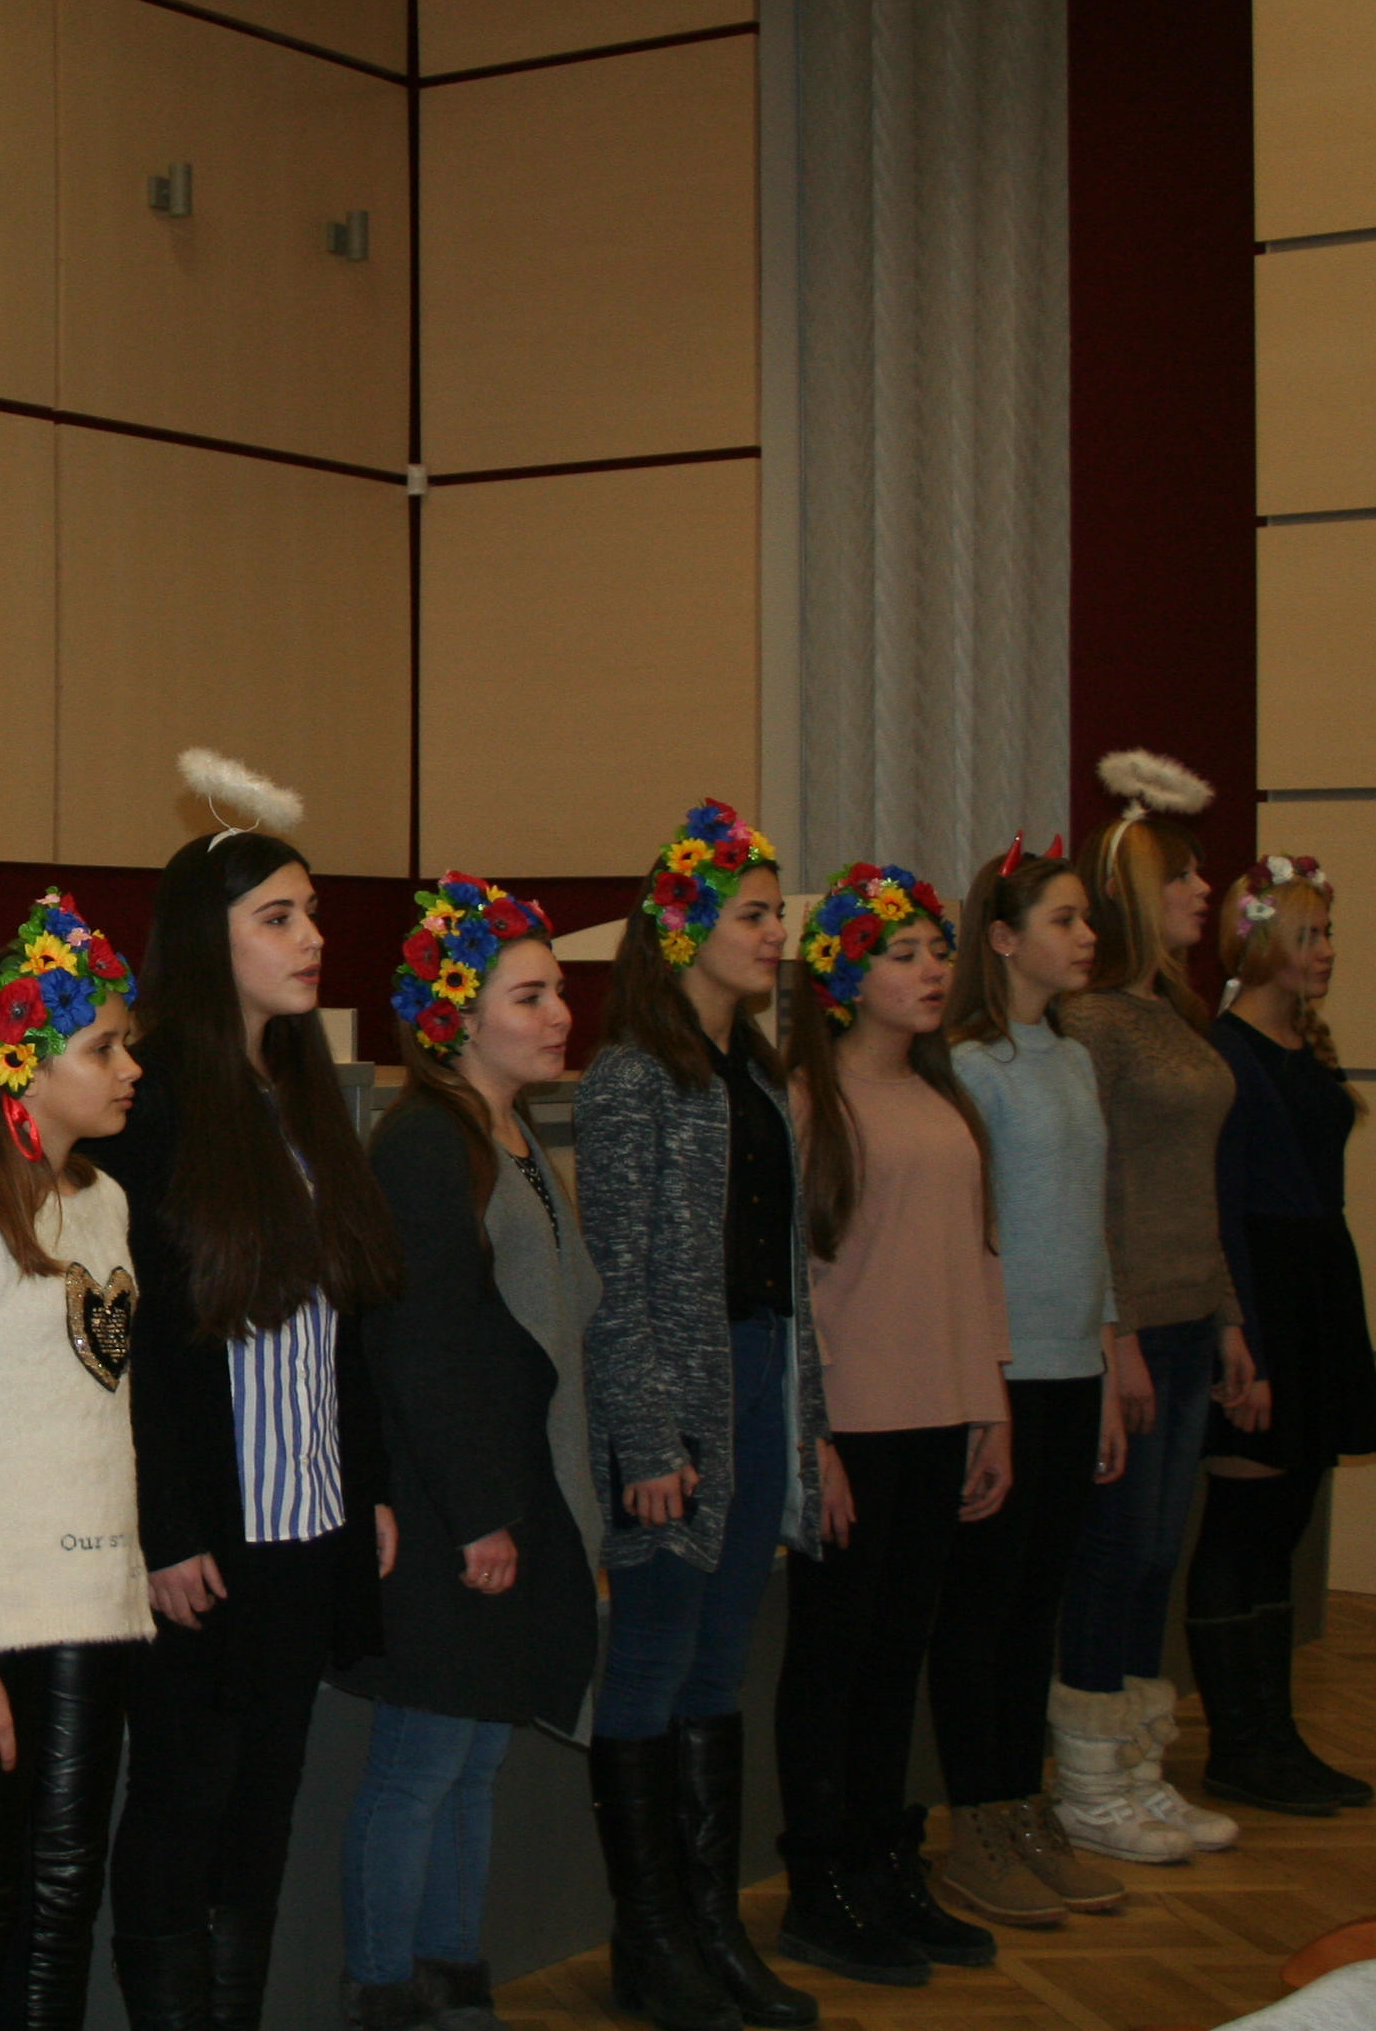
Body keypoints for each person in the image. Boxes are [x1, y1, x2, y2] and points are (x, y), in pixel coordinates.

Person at [79, 783, 402, 2031]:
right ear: (206, 940)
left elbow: (344, 1319)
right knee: (183, 1799)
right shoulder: (149, 1096)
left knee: (265, 1801)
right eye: (279, 917)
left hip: (305, 1516)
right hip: (206, 1530)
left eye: (311, 914)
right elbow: (135, 1347)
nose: (311, 938)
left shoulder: (307, 1090)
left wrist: (367, 1486)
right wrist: (163, 1529)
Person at [575, 801, 822, 2031]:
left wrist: (807, 1423)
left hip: (759, 1374)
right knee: (655, 1656)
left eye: (778, 914)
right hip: (678, 1393)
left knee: (720, 1660)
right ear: (683, 931)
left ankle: (712, 1925)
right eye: (755, 914)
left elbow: (784, 1268)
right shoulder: (635, 1075)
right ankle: (654, 1939)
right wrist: (648, 1432)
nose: (778, 935)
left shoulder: (757, 1072)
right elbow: (617, 1276)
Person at [340, 877, 599, 2031]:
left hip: (509, 1498)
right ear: (455, 1016)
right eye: (530, 997)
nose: (559, 1016)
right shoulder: (423, 1143)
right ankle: (383, 1991)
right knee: (423, 1764)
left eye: (558, 993)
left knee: (478, 1760)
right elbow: (421, 1350)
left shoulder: (512, 1133)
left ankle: (454, 1979)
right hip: (451, 1513)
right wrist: (481, 1513)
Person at [768, 864, 1010, 1991]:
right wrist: (812, 1438)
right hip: (854, 1424)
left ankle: (882, 1857)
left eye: (937, 951)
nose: (931, 970)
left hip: (939, 1410)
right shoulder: (807, 1104)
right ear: (844, 977)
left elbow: (976, 1266)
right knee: (835, 1656)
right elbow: (796, 1290)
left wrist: (990, 1408)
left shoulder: (945, 1097)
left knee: (900, 1651)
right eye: (903, 954)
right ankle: (820, 1880)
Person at [0, 891, 153, 2031]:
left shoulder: (106, 1202)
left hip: (97, 1603)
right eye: (102, 1047)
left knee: (66, 1890)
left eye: (125, 1044)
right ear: (19, 1060)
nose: (129, 1068)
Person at [1046, 751, 1249, 1865]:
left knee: (1158, 1554)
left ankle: (1137, 1765)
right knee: (1116, 1551)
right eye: (1184, 876)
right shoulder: (1092, 1024)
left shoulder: (1172, 1014)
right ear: (1135, 892)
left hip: (1184, 1317)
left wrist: (1226, 1317)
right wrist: (1113, 1334)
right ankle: (1088, 1780)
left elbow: (1194, 1188)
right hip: (1124, 1331)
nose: (1203, 892)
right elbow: (1090, 1193)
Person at [929, 842, 1132, 1925]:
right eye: (1064, 920)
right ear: (1003, 939)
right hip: (1005, 1374)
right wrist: (984, 1391)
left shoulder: (1072, 1058)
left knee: (1036, 1605)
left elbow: (1088, 1222)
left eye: (1087, 918)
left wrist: (1106, 1351)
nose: (1086, 937)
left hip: (1071, 1365)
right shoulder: (971, 1066)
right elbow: (972, 1242)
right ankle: (976, 1825)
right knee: (985, 1606)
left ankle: (1021, 1806)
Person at [1186, 855, 1376, 1817]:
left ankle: (1277, 1734)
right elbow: (1224, 1212)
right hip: (1264, 1297)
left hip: (1315, 1290)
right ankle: (1239, 1743)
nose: (1327, 951)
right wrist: (1246, 1341)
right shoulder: (1227, 1054)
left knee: (1287, 1522)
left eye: (1327, 934)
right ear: (1265, 944)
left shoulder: (1300, 1043)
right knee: (1245, 1524)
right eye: (1310, 935)